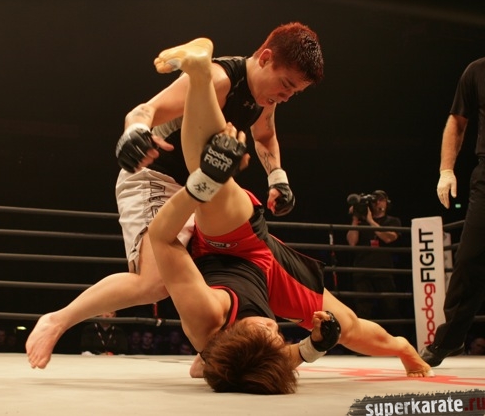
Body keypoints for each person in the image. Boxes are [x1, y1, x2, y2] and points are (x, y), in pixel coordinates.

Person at [27, 22, 324, 368]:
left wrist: (278, 178)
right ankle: (57, 320)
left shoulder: (264, 96)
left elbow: (264, 135)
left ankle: (212, 354)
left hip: (199, 191)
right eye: (286, 85)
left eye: (294, 92)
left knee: (214, 276)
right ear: (266, 58)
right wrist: (134, 133)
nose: (286, 96)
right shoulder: (219, 79)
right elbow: (144, 111)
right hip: (157, 179)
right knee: (153, 283)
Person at [146, 37, 432, 393]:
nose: (275, 329)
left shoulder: (206, 314)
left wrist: (203, 182)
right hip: (273, 273)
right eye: (279, 340)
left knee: (212, 188)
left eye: (269, 336)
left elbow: (161, 238)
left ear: (236, 340)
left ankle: (200, 72)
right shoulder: (259, 354)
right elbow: (281, 356)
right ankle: (404, 347)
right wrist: (313, 346)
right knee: (348, 326)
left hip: (229, 247)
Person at [420, 57, 485, 367]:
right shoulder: (477, 71)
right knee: (470, 259)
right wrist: (446, 170)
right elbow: (457, 121)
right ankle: (450, 338)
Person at [346, 190, 402, 329]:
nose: (378, 203)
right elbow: (352, 242)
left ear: (387, 203)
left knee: (390, 307)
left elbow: (388, 238)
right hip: (362, 270)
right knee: (363, 310)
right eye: (375, 200)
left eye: (381, 200)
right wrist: (355, 218)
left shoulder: (392, 221)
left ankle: (395, 339)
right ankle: (363, 341)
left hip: (384, 270)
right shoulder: (361, 223)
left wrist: (370, 221)